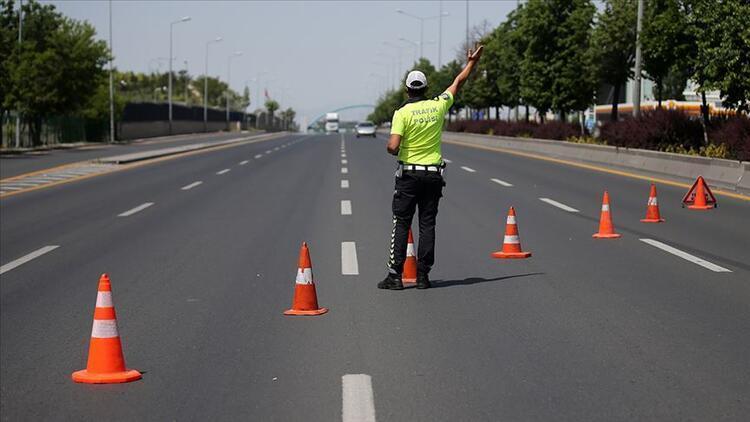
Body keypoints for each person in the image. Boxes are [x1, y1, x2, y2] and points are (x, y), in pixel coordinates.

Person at [378, 44, 484, 290]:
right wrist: (472, 63)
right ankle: (424, 276)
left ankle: (395, 276)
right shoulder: (438, 105)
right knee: (427, 224)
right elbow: (457, 83)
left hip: (409, 176)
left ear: (407, 89)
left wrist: (396, 145)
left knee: (402, 222)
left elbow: (393, 146)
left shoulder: (402, 113)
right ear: (426, 88)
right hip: (433, 176)